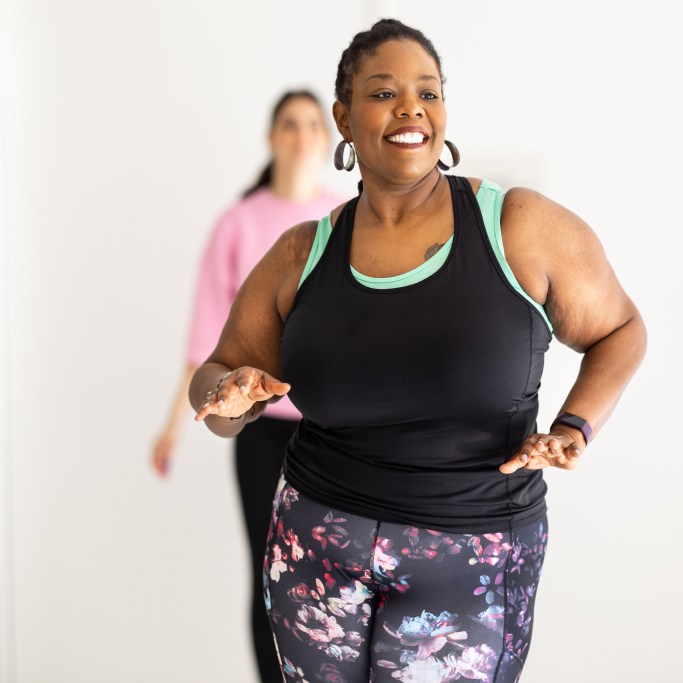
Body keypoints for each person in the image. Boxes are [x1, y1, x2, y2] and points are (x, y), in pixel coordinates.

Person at [189, 18, 646, 683]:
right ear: (344, 117)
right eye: (384, 93)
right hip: (314, 551)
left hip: (472, 556)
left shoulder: (517, 227)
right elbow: (219, 387)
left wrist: (576, 423)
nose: (411, 108)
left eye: (428, 93)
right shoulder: (301, 253)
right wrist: (228, 394)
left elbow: (621, 328)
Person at [153, 89, 347, 683]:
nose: (302, 134)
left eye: (313, 123)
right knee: (271, 575)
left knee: (337, 574)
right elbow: (205, 344)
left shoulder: (346, 216)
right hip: (261, 436)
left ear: (328, 136)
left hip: (334, 433)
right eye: (289, 124)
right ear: (272, 138)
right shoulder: (238, 223)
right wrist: (170, 431)